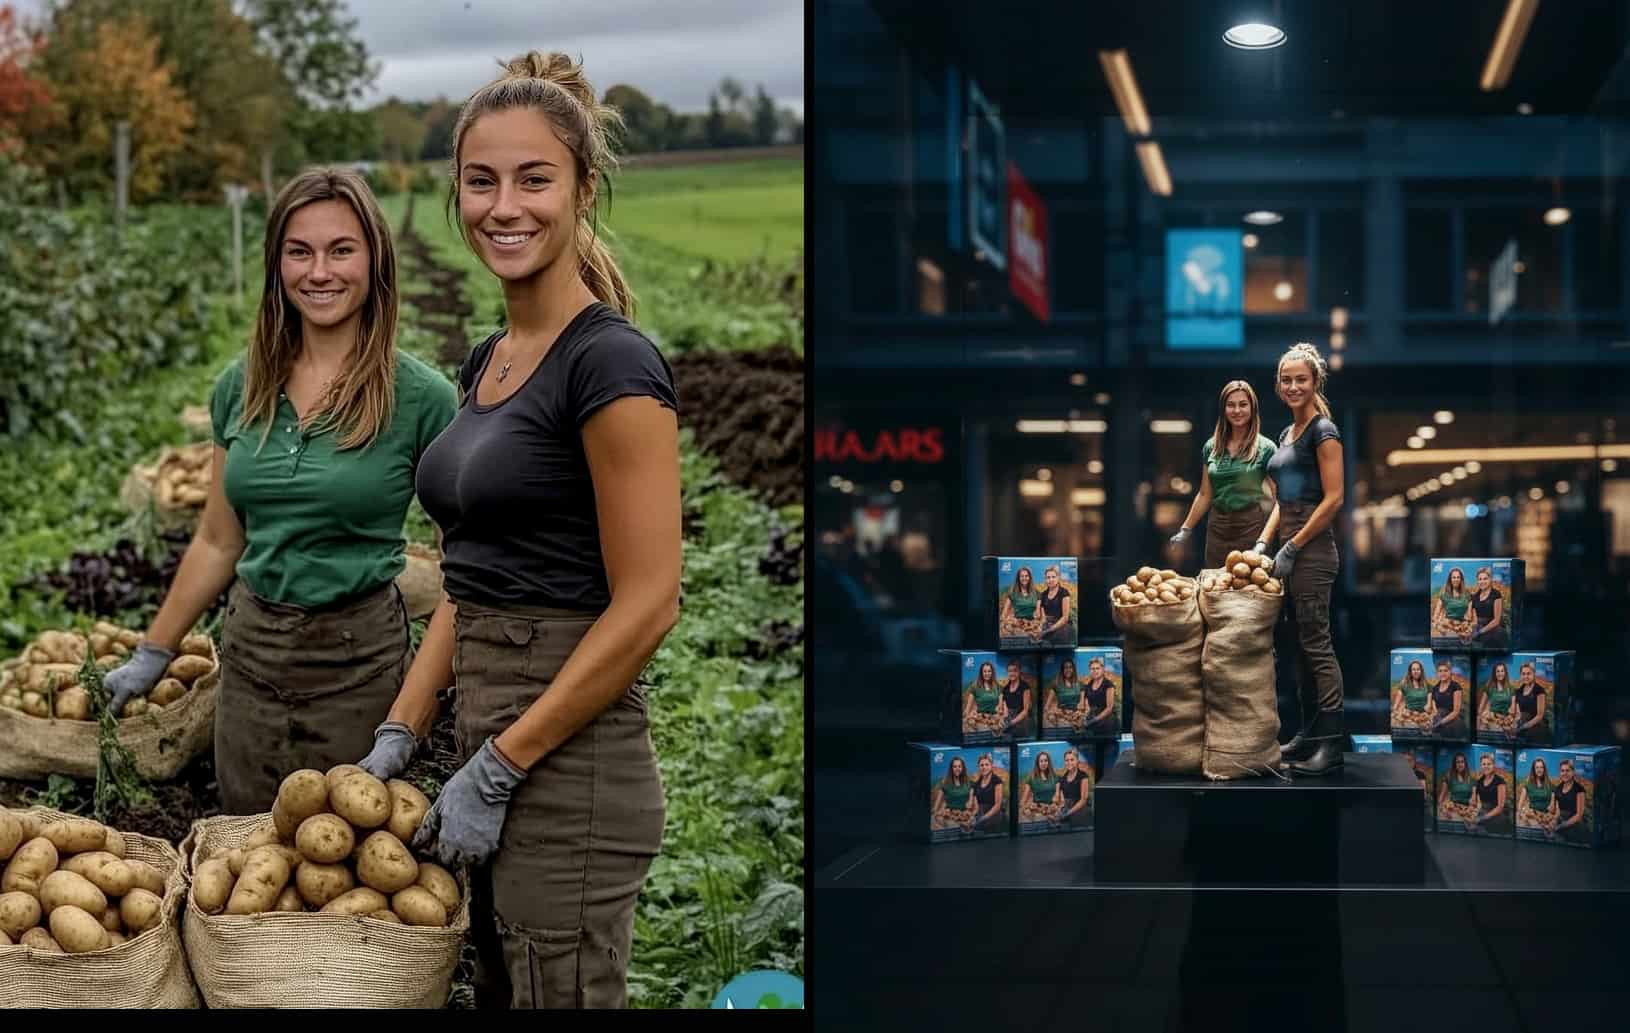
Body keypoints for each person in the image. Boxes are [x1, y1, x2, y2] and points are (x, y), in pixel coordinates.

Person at [354, 52, 680, 1010]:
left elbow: (650, 602)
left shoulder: (609, 363)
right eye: (481, 181)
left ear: (584, 190)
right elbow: (473, 581)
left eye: (534, 179)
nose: (505, 207)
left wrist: (501, 766)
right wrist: (403, 727)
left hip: (569, 766)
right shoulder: (490, 358)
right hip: (487, 731)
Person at [101, 168, 458, 814]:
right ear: (277, 265)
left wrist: (408, 720)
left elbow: (464, 570)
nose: (319, 271)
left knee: (344, 850)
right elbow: (218, 539)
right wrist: (154, 651)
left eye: (341, 250)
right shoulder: (241, 387)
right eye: (300, 252)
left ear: (374, 260)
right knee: (244, 847)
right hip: (252, 662)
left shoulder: (422, 399)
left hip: (358, 664)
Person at [1263, 343, 1347, 776]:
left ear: (1315, 383)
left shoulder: (1323, 431)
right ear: (1279, 386)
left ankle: (1331, 746)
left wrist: (1294, 546)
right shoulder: (1286, 435)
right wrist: (1264, 543)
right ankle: (1309, 734)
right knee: (1298, 646)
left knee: (1317, 645)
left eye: (1301, 379)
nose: (1293, 386)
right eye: (1286, 380)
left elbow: (1334, 499)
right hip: (1288, 551)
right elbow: (1284, 502)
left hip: (1312, 554)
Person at [1170, 379, 1281, 568]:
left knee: (1247, 584)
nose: (1237, 410)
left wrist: (1264, 540)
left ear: (1252, 408)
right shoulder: (1211, 447)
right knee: (1214, 583)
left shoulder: (1266, 448)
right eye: (1231, 405)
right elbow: (1205, 494)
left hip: (1251, 527)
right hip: (1217, 528)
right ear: (1223, 409)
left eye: (1243, 404)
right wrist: (1185, 529)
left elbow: (1281, 500)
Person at [1467, 567, 1509, 650]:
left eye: (1485, 579)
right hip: (1478, 627)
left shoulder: (1496, 594)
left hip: (1494, 629)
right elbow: (1470, 617)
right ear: (1477, 581)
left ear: (1490, 579)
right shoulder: (1474, 596)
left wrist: (1481, 631)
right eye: (1480, 579)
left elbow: (1496, 620)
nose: (1482, 581)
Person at [1471, 752, 1511, 836]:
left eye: (1489, 764)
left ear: (1493, 765)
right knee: (1473, 827)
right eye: (1484, 764)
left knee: (1481, 828)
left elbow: (1500, 807)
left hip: (1497, 815)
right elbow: (1474, 803)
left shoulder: (1499, 782)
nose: (1486, 766)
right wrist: (1474, 789)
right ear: (1481, 766)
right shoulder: (1479, 781)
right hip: (1484, 811)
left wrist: (1483, 818)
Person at [931, 755, 976, 829]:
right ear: (951, 769)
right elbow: (936, 806)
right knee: (948, 824)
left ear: (963, 768)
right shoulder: (945, 784)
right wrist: (938, 812)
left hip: (964, 815)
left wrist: (969, 804)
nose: (957, 768)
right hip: (948, 816)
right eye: (955, 766)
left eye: (959, 766)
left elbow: (971, 803)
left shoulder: (970, 783)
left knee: (971, 822)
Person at [1518, 756, 1558, 838]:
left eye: (1541, 767)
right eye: (1537, 767)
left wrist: (1552, 812)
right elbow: (1520, 804)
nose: (1539, 769)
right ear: (1533, 769)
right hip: (1532, 815)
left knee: (1549, 830)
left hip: (1546, 816)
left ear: (1544, 769)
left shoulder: (1550, 785)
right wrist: (1521, 814)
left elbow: (1554, 806)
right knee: (1535, 828)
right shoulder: (1528, 785)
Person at [1552, 758, 1590, 844]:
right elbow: (1557, 811)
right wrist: (1554, 822)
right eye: (1562, 771)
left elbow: (1579, 815)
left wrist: (1561, 826)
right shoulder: (1557, 788)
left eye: (1567, 770)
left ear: (1573, 772)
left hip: (1576, 826)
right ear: (1560, 772)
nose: (1564, 773)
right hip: (1561, 822)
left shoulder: (1579, 789)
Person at [1431, 566, 1472, 644]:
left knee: (1467, 638)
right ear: (1450, 579)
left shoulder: (1467, 594)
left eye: (1458, 577)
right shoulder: (1444, 594)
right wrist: (1438, 623)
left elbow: (1469, 615)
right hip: (1447, 624)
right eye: (1454, 577)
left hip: (1462, 625)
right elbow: (1436, 615)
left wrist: (1465, 623)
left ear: (1461, 579)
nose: (1456, 579)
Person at [1426, 661, 1465, 738]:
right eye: (1440, 671)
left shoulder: (1456, 687)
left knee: (1444, 730)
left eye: (1445, 671)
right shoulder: (1435, 688)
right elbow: (1435, 711)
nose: (1443, 673)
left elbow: (1456, 712)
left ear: (1450, 672)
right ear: (1437, 673)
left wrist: (1441, 722)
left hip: (1453, 720)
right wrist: (1432, 719)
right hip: (1439, 717)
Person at [1036, 565, 1073, 645]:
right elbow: (1043, 618)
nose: (1051, 580)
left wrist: (1049, 630)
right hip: (1048, 625)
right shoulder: (1043, 595)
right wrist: (1040, 627)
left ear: (1058, 578)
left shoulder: (1064, 593)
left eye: (1053, 577)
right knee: (1037, 639)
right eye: (1048, 577)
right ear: (1045, 579)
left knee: (1050, 641)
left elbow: (1065, 618)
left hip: (1062, 626)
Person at [1081, 656, 1118, 736]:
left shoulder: (1108, 685)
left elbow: (1109, 708)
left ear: (1102, 669)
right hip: (1092, 718)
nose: (1095, 671)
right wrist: (1085, 717)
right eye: (1092, 669)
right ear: (1090, 670)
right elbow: (1087, 706)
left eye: (1097, 668)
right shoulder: (1088, 685)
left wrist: (1094, 720)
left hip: (1107, 720)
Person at [1020, 749, 1060, 824]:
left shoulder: (1055, 777)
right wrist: (1025, 809)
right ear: (1037, 763)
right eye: (1041, 761)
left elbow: (1057, 796)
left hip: (1052, 810)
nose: (1043, 763)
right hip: (1036, 810)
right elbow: (1023, 799)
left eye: (1046, 761)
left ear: (1049, 762)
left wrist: (1054, 803)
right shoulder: (1031, 778)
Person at [1000, 566, 1040, 639]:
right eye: (1022, 576)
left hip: (1031, 624)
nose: (1024, 578)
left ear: (1030, 577)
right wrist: (1010, 621)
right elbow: (1003, 615)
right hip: (1017, 624)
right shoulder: (1012, 593)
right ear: (1018, 578)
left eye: (1026, 576)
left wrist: (1036, 616)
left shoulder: (1036, 593)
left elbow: (1038, 613)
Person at [1479, 660, 1516, 739]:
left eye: (1502, 671)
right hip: (1492, 718)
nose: (1500, 673)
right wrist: (1483, 717)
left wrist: (1507, 718)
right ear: (1494, 673)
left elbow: (1513, 709)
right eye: (1498, 671)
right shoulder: (1489, 687)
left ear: (1505, 673)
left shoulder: (1511, 688)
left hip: (1506, 720)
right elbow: (1481, 708)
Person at [964, 660, 1002, 735]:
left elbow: (1001, 706)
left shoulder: (997, 686)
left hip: (994, 720)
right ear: (981, 673)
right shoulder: (975, 686)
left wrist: (999, 715)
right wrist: (967, 717)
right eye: (984, 671)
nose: (987, 673)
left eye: (989, 671)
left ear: (992, 672)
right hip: (979, 719)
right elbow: (968, 708)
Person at [1057, 748, 1092, 828]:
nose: (1069, 762)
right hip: (1067, 810)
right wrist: (1061, 808)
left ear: (1077, 761)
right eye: (1067, 760)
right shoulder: (1063, 778)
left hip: (1081, 811)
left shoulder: (1083, 776)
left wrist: (1068, 813)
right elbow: (1062, 799)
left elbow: (1083, 800)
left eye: (1072, 760)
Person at [1513, 661, 1548, 742]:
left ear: (1534, 674)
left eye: (1528, 674)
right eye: (1523, 674)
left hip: (1537, 726)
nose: (1526, 676)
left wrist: (1524, 726)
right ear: (1520, 675)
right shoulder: (1518, 691)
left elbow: (1539, 716)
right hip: (1522, 724)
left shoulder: (1539, 690)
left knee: (1527, 735)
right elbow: (1518, 713)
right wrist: (1515, 725)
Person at [971, 753, 1007, 832]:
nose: (984, 767)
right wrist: (973, 817)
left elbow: (997, 806)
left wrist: (983, 818)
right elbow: (976, 805)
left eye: (987, 765)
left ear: (991, 766)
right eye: (982, 765)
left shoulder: (997, 781)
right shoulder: (977, 783)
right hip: (980, 814)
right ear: (978, 767)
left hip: (994, 816)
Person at [1393, 659, 1431, 732]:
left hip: (1422, 716)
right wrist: (1398, 712)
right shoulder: (1404, 685)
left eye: (1418, 669)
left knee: (1426, 727)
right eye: (1413, 669)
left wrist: (1426, 711)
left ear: (1421, 671)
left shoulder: (1427, 685)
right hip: (1408, 715)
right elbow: (1396, 705)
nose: (1416, 671)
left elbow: (1429, 706)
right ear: (1410, 671)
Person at [1046, 657, 1082, 732]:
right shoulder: (1056, 685)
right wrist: (1058, 712)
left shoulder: (1080, 684)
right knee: (1051, 717)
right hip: (1061, 713)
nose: (1068, 670)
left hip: (1076, 714)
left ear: (1073, 669)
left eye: (1070, 667)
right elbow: (1047, 707)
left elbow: (1082, 705)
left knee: (1081, 721)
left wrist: (1077, 713)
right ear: (1062, 670)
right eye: (1065, 667)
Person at [999, 659, 1033, 737]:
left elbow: (1025, 711)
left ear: (1019, 671)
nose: (1012, 673)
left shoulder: (1025, 687)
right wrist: (1003, 719)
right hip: (1009, 720)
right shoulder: (1005, 689)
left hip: (1021, 721)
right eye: (1010, 671)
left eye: (1015, 671)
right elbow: (1005, 710)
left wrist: (1011, 723)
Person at [1439, 752, 1474, 823]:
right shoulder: (1449, 776)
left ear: (1465, 763)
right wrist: (1442, 808)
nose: (1460, 764)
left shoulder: (1471, 777)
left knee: (1472, 821)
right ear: (1454, 764)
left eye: (1462, 762)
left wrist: (1470, 807)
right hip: (1452, 807)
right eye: (1458, 762)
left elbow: (1474, 796)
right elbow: (1442, 795)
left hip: (1467, 808)